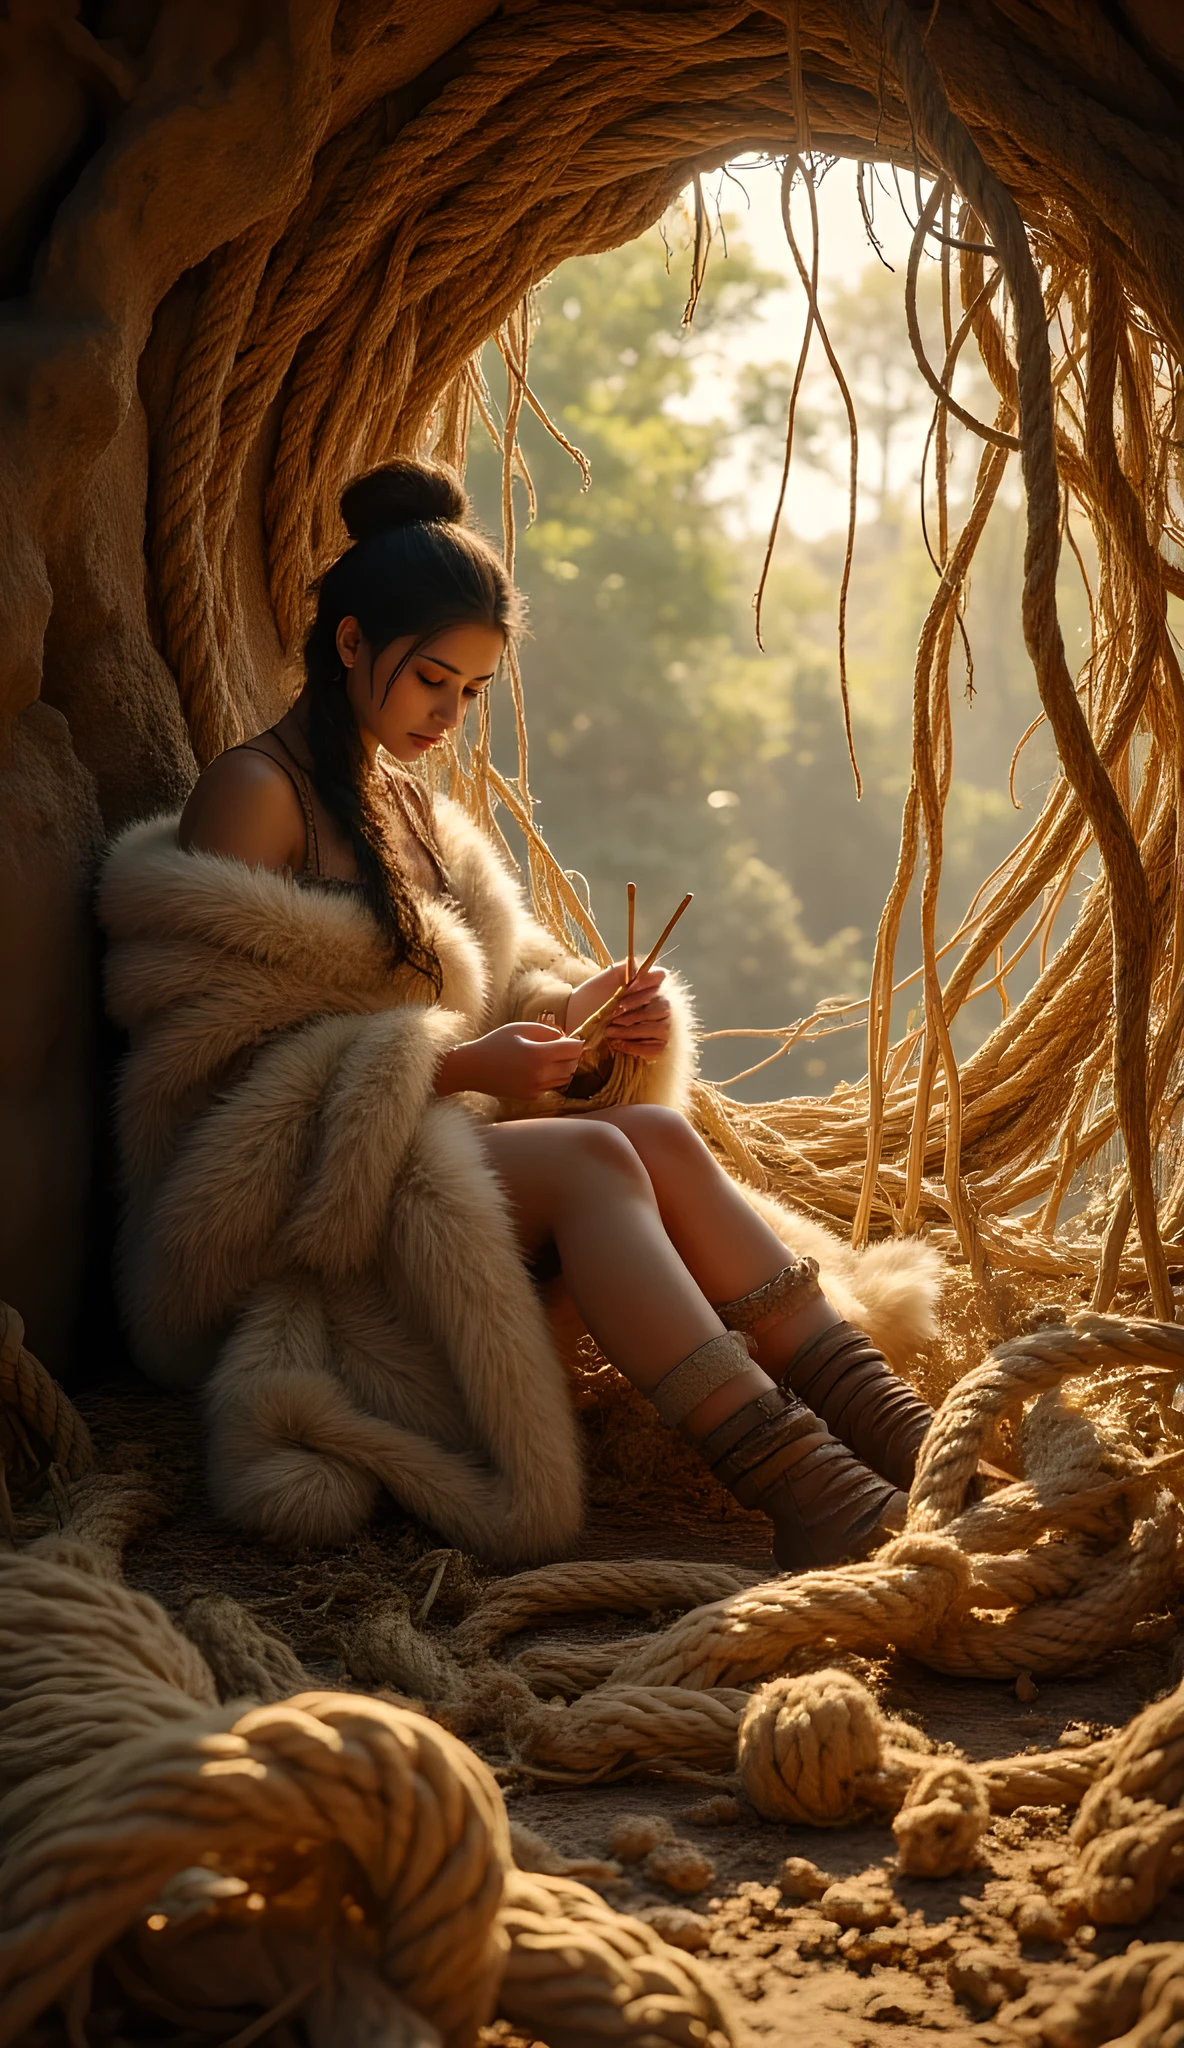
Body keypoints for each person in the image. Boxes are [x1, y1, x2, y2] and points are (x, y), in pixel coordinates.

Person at [100, 458, 940, 1572]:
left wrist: (583, 1016)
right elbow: (210, 1077)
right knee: (597, 1160)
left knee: (651, 1130)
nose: (447, 716)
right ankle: (808, 1484)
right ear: (349, 643)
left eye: (471, 692)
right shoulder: (254, 792)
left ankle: (903, 1435)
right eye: (429, 680)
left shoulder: (409, 805)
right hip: (286, 1228)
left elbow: (476, 990)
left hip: (415, 1164)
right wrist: (452, 1069)